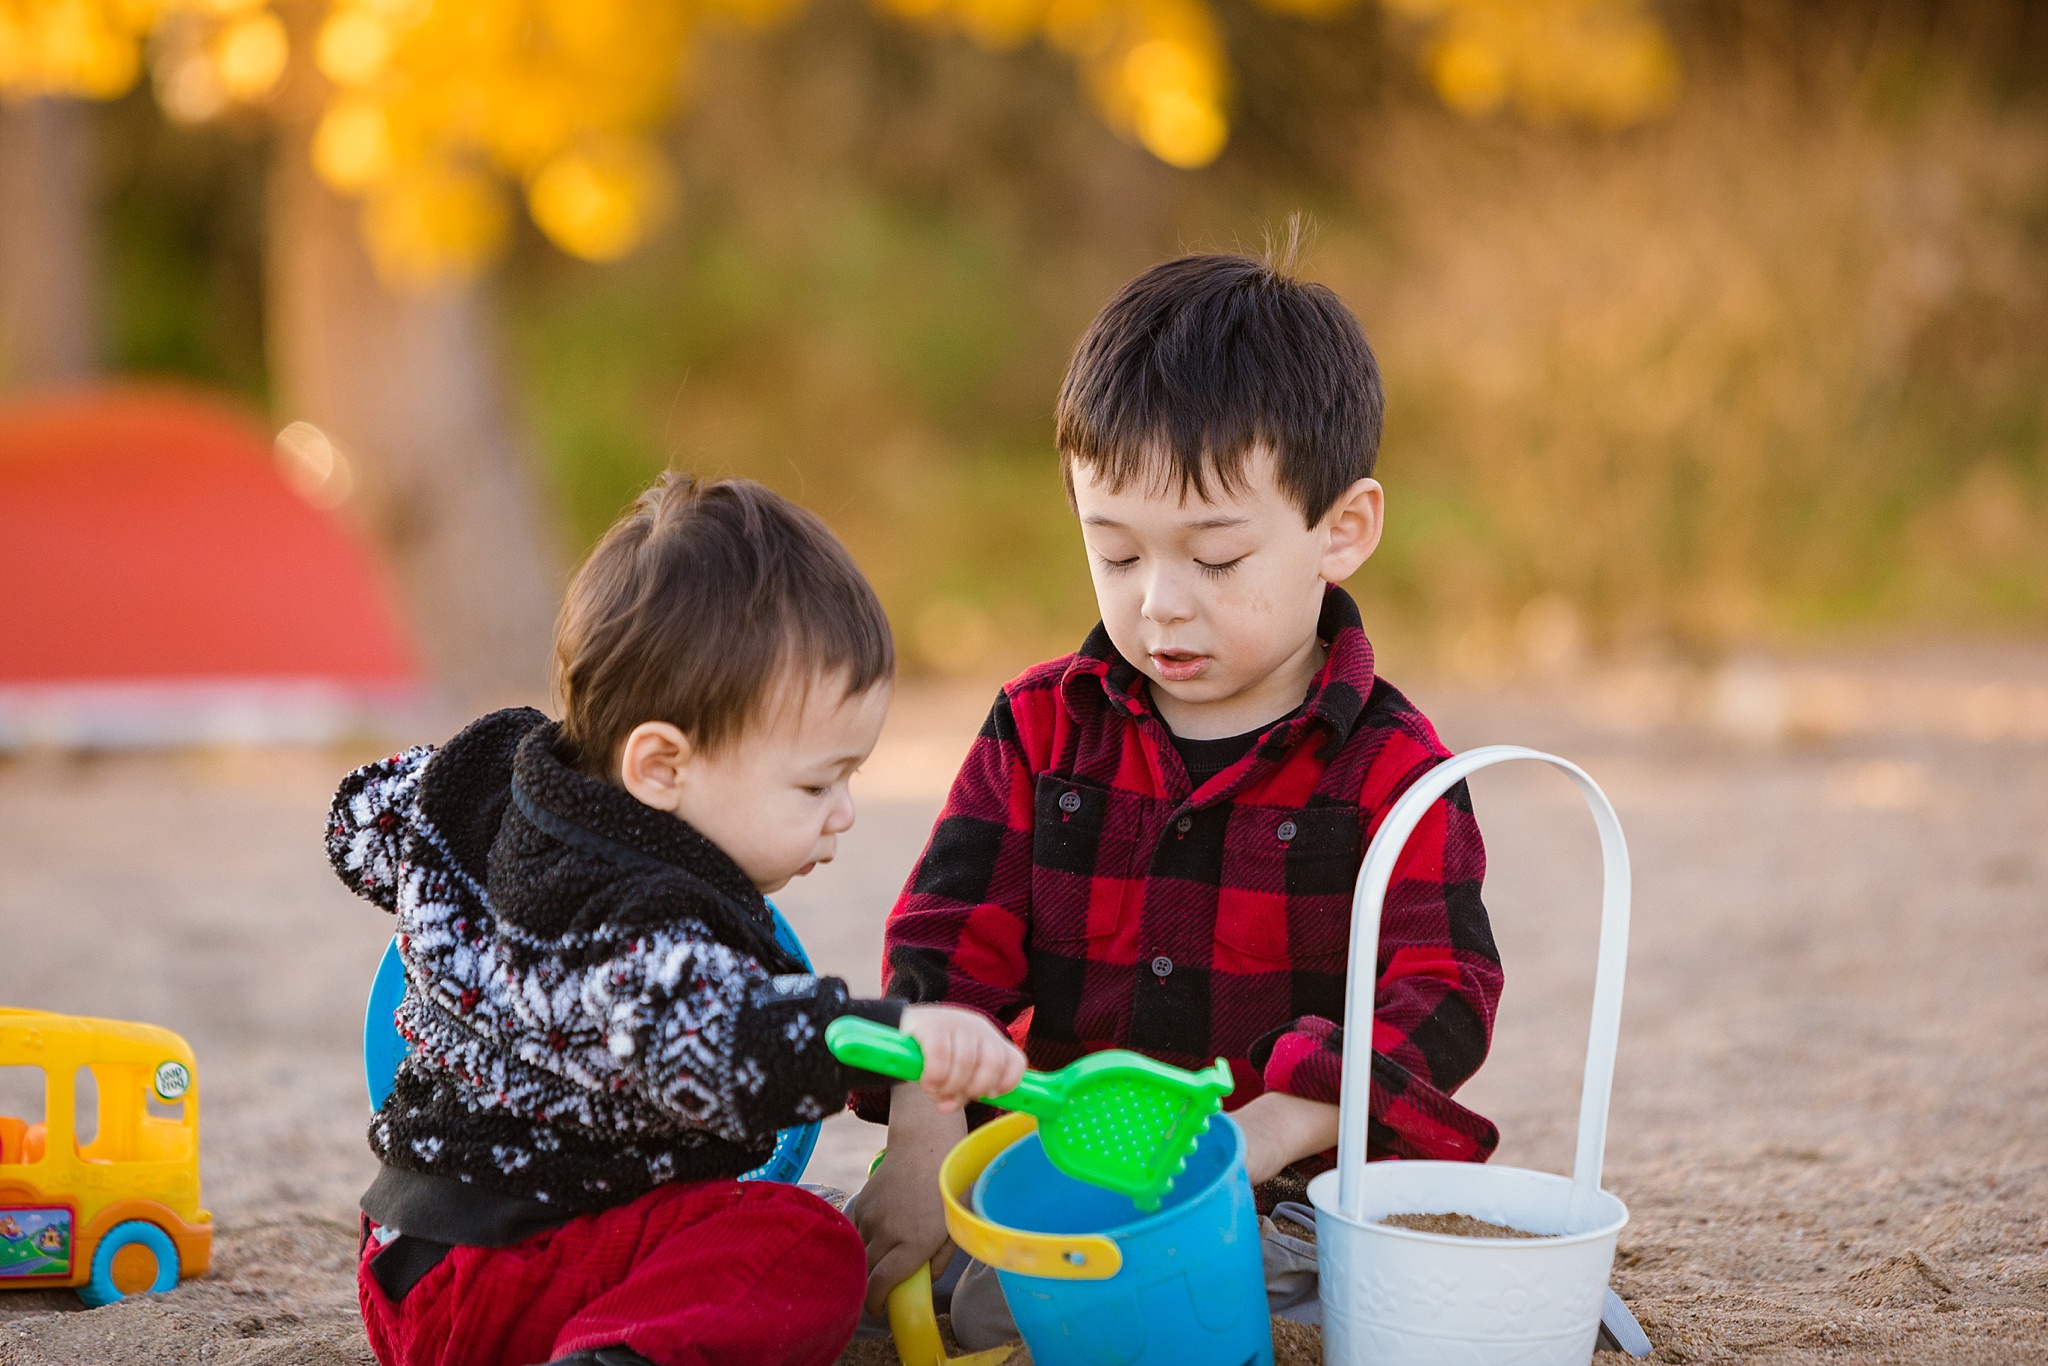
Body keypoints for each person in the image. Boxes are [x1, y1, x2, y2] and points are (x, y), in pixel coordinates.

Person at [851, 250, 1505, 1343]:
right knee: (901, 1278)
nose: (1158, 606)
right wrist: (921, 1142)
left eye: (1212, 558)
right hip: (1055, 1175)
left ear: (1339, 530)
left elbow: (1444, 989)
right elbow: (942, 948)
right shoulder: (1037, 730)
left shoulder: (1392, 770)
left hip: (1284, 1185)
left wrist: (1278, 1123)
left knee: (1297, 1306)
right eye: (1113, 554)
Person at [327, 475, 1026, 1366]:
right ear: (660, 766)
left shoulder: (486, 799)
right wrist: (890, 1034)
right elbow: (710, 1029)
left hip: (404, 1261)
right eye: (816, 783)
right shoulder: (630, 919)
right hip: (516, 1270)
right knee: (800, 1245)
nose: (844, 811)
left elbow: (360, 828)